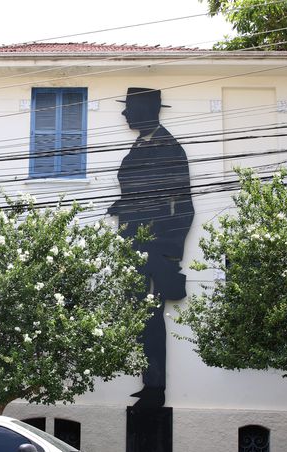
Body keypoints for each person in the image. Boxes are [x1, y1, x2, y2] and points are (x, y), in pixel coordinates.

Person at [109, 87, 194, 408]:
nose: (124, 114)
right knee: (142, 320)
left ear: (146, 109)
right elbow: (144, 197)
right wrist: (123, 206)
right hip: (135, 249)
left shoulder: (168, 149)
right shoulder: (140, 145)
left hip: (155, 251)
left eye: (129, 107)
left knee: (152, 319)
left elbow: (182, 206)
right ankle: (150, 383)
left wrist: (169, 251)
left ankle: (156, 387)